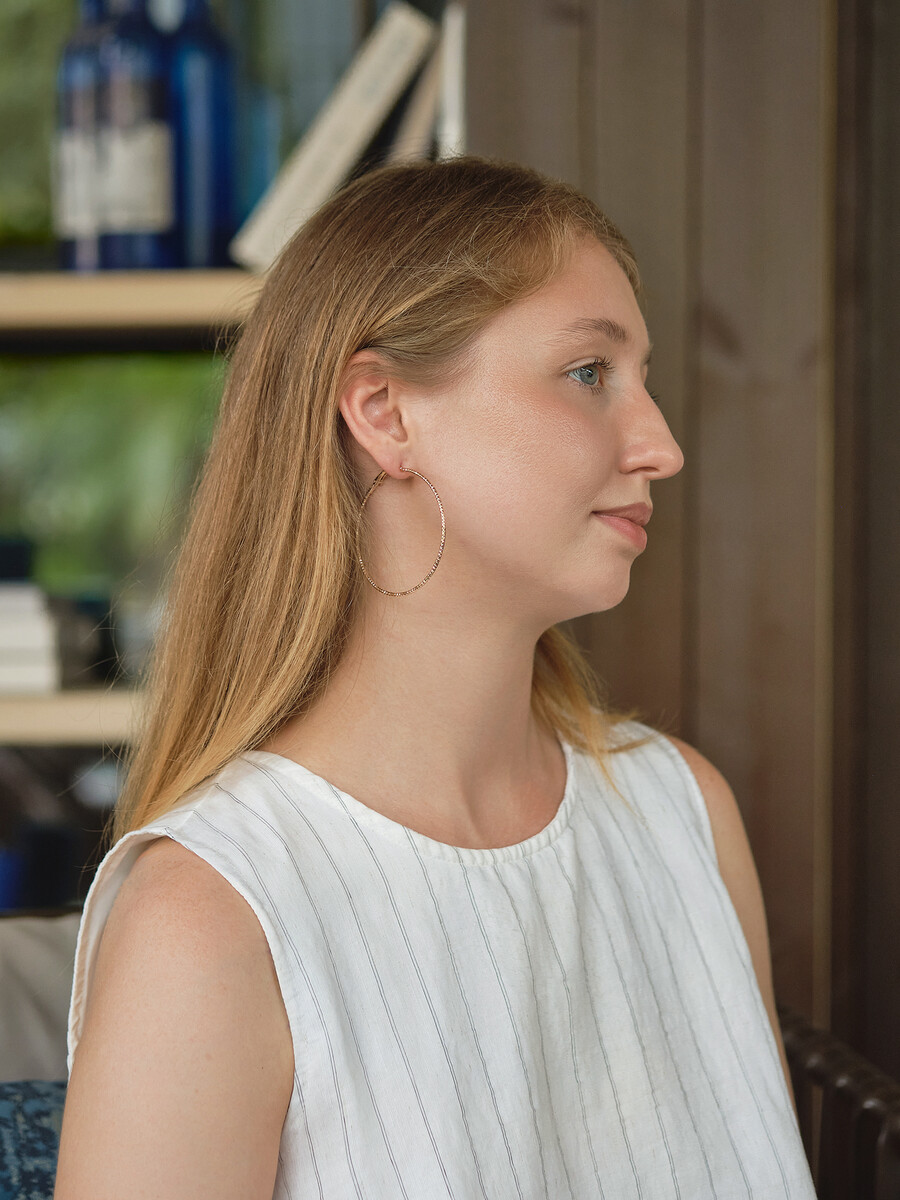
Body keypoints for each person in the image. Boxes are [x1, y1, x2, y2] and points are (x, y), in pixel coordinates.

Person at [53, 154, 817, 1199]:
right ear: (385, 413)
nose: (662, 446)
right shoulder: (208, 920)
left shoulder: (684, 814)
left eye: (643, 380)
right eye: (589, 373)